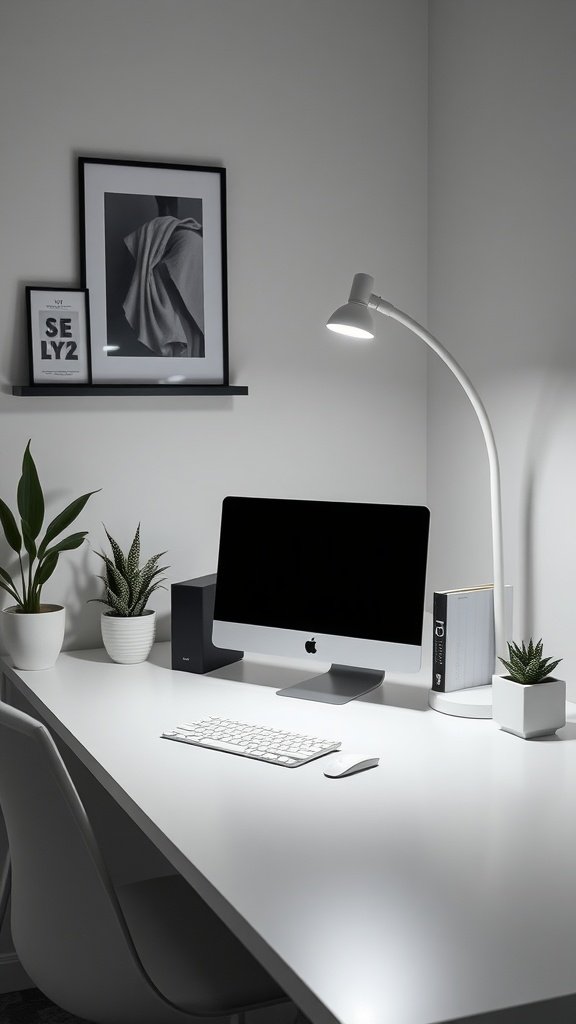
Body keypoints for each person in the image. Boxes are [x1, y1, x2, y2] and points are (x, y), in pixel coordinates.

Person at [123, 196, 205, 357]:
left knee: (184, 328)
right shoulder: (170, 232)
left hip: (186, 257)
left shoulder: (165, 232)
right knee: (184, 326)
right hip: (184, 257)